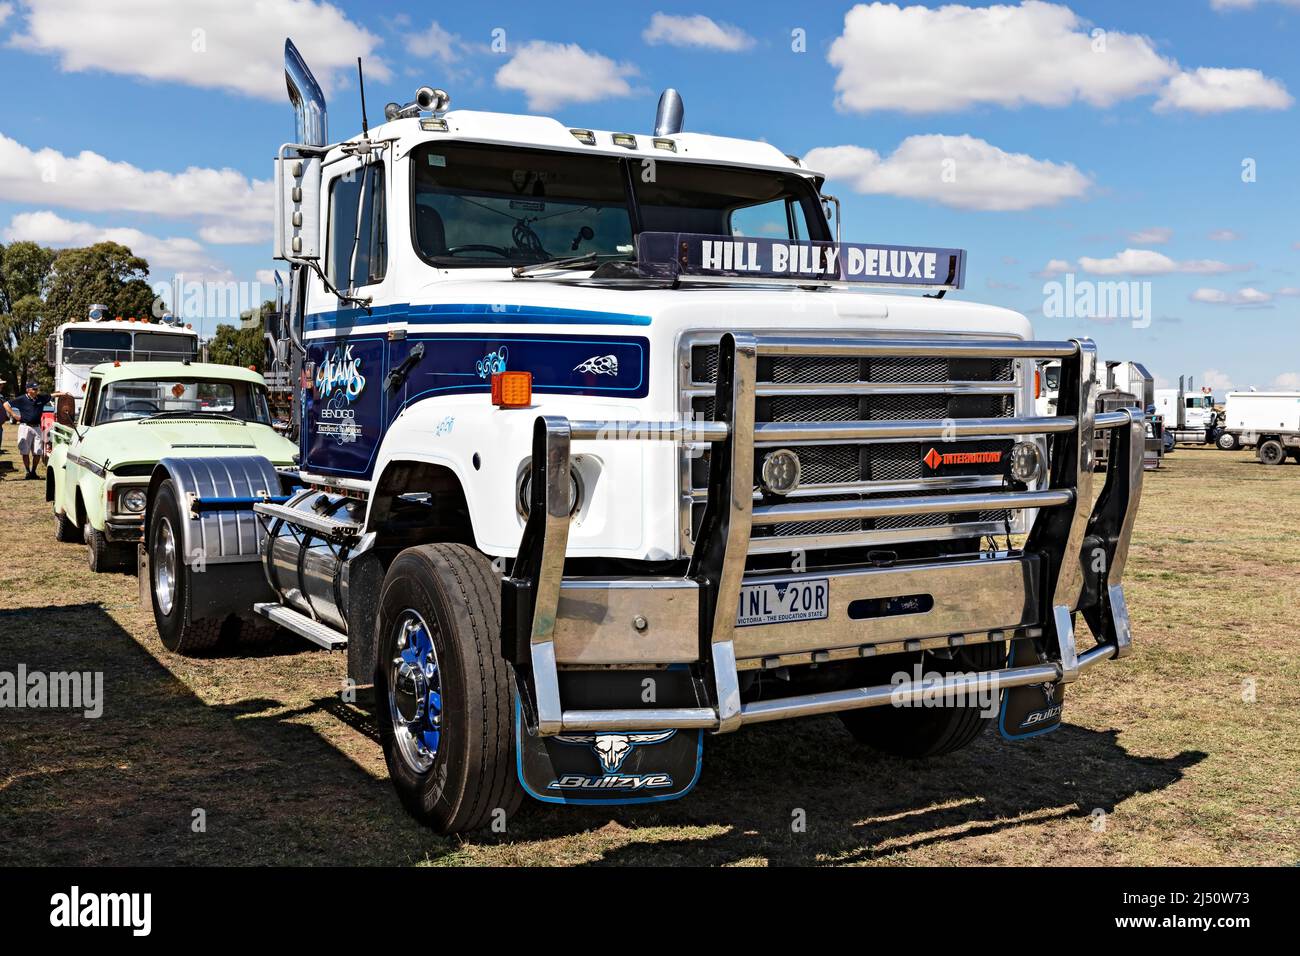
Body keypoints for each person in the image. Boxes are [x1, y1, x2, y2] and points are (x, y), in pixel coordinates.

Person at [3, 382, 55, 479]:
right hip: (25, 427)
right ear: (28, 390)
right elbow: (6, 404)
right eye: (34, 389)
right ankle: (27, 472)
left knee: (38, 451)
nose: (36, 391)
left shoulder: (40, 398)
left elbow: (52, 395)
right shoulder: (22, 399)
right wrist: (13, 415)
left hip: (37, 428)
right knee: (25, 451)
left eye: (37, 389)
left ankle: (33, 472)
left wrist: (64, 394)